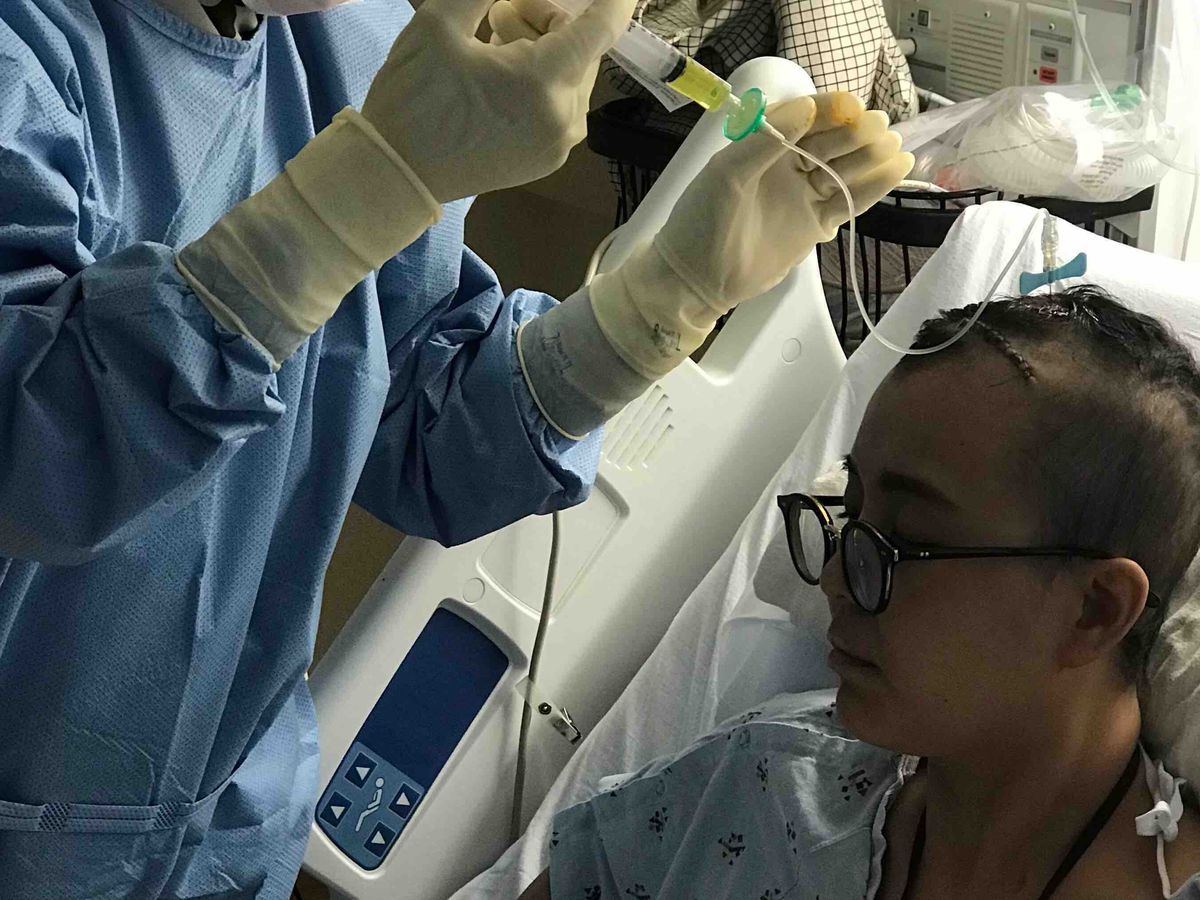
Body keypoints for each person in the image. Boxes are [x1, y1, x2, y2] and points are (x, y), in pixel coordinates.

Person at [0, 0, 911, 895]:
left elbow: (422, 430)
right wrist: (371, 180)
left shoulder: (347, 39)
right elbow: (33, 463)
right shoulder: (28, 52)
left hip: (217, 824)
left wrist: (661, 299)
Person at [520, 286, 1200, 899]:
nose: (836, 580)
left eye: (907, 539)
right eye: (851, 512)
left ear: (1094, 610)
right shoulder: (760, 784)